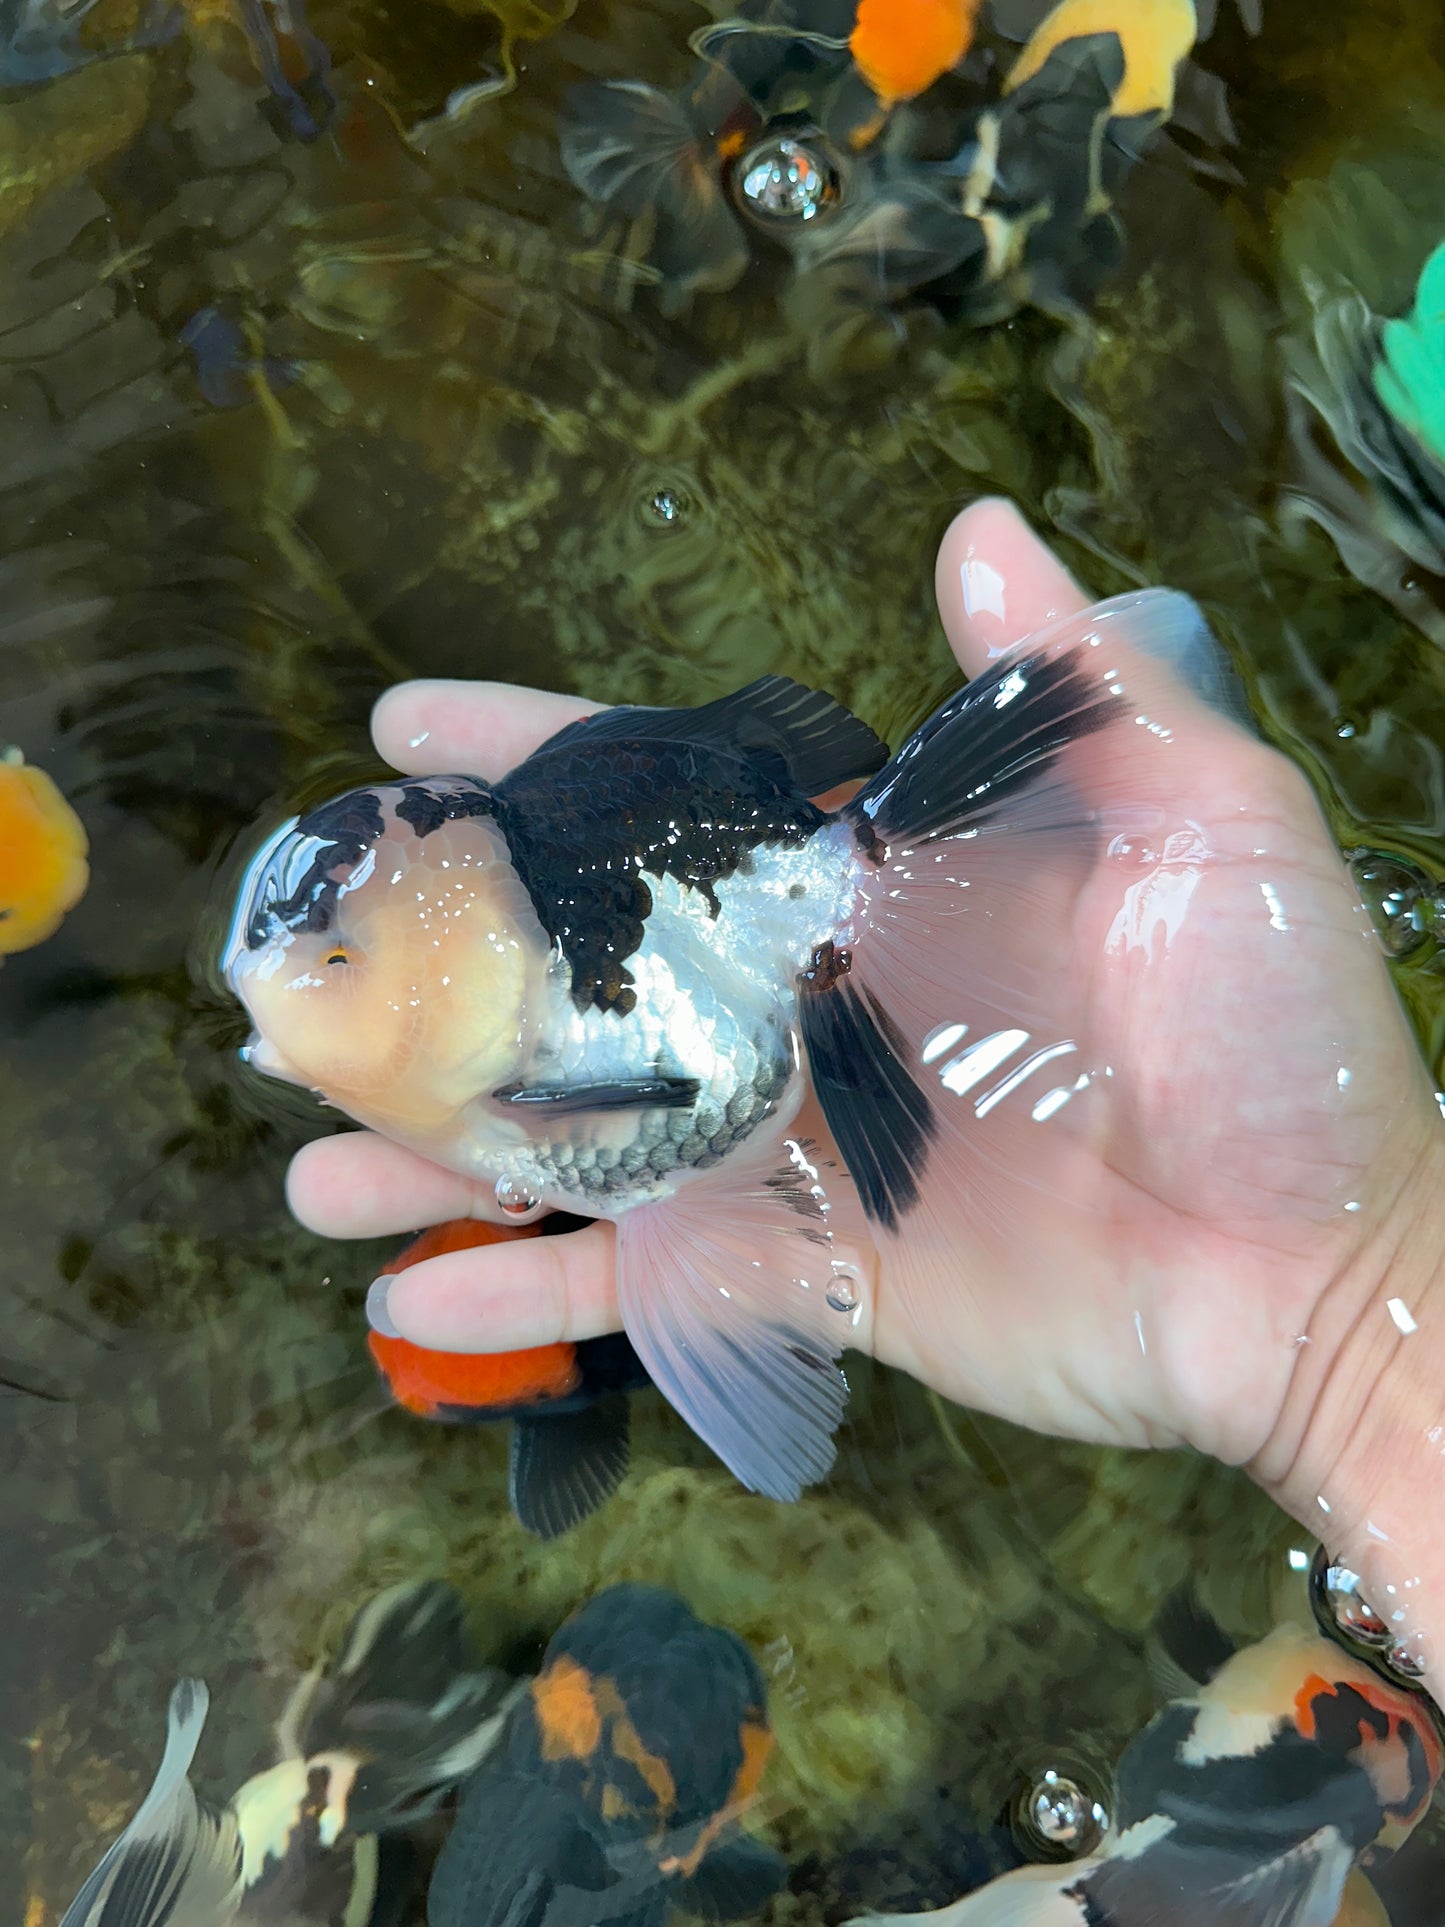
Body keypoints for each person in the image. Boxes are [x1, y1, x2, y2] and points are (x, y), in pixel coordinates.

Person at [286, 497, 1445, 1698]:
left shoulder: (532, 1051)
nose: (287, 1011)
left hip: (776, 933)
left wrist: (1359, 1327)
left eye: (331, 967)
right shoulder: (488, 1046)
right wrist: (1361, 1326)